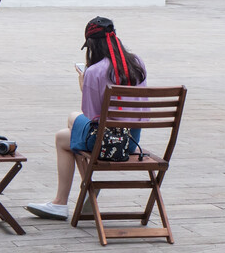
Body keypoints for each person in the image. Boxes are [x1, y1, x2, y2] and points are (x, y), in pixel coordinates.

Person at [27, 16, 149, 221]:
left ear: (91, 45)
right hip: (131, 140)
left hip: (109, 144)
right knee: (72, 121)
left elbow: (91, 115)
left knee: (62, 137)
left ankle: (68, 198)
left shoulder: (95, 71)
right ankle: (86, 190)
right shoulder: (136, 62)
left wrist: (84, 84)